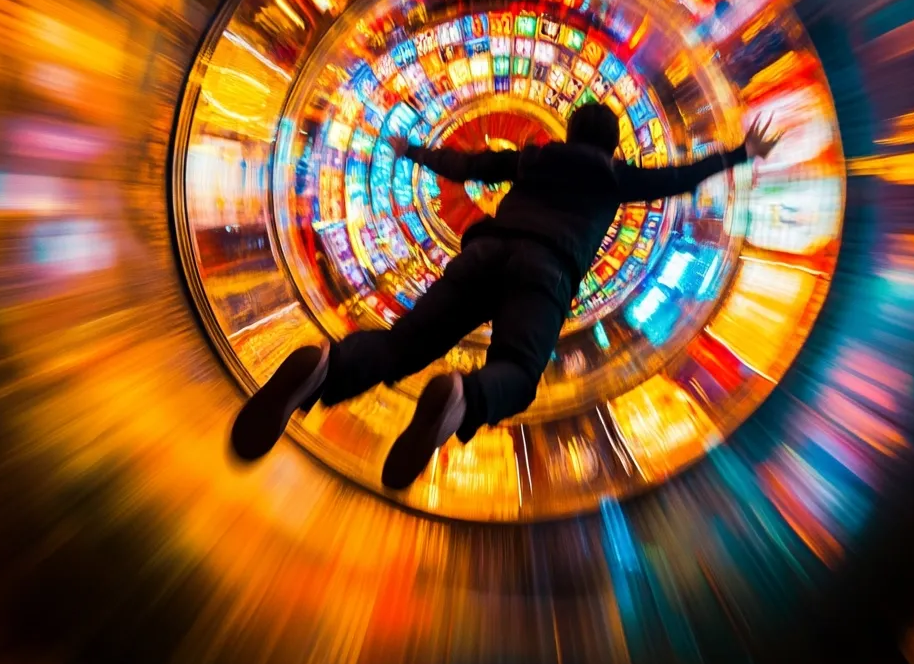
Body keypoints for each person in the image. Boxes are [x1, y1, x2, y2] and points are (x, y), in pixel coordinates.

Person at [230, 105, 781, 489]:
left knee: (404, 345)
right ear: (611, 145)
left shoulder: (534, 159)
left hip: (485, 252)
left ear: (567, 131)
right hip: (546, 272)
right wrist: (740, 153)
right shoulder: (616, 177)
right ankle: (461, 398)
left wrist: (413, 151)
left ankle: (327, 368)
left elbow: (470, 166)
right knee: (516, 373)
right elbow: (678, 179)